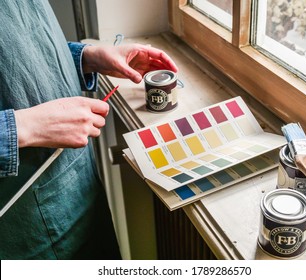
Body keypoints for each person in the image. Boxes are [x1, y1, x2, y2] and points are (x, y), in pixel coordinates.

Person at [0, 0, 178, 259]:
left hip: (73, 190)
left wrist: (87, 57)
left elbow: (23, 47)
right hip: (20, 224)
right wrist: (23, 127)